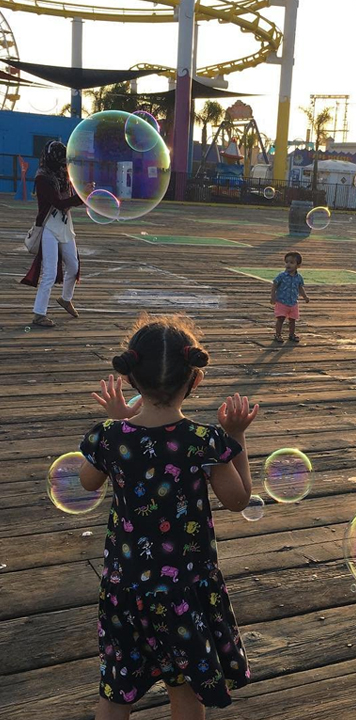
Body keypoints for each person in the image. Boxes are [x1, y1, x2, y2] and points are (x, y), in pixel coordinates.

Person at [78, 313, 259, 720]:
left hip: (125, 587)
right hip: (184, 590)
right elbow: (238, 499)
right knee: (186, 690)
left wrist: (121, 422)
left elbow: (88, 481)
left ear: (129, 378)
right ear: (195, 380)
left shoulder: (110, 435)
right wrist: (236, 438)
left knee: (116, 691)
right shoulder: (201, 442)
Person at [20, 140, 87, 328]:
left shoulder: (62, 174)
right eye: (60, 158)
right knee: (49, 272)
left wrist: (83, 189)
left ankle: (65, 299)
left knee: (73, 265)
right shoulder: (42, 178)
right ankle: (39, 314)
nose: (62, 162)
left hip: (64, 225)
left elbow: (69, 196)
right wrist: (81, 197)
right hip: (49, 226)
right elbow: (58, 203)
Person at [271, 250, 310, 343]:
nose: (288, 264)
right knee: (280, 318)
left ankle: (291, 334)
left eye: (292, 263)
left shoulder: (299, 277)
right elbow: (274, 285)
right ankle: (278, 334)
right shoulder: (282, 275)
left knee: (293, 320)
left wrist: (305, 297)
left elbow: (300, 288)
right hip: (282, 301)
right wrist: (273, 296)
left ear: (298, 265)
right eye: (287, 262)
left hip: (293, 302)